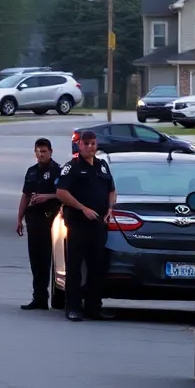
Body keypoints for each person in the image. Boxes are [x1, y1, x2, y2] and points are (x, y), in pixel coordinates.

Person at [54, 129, 117, 322]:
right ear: (79, 145)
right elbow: (61, 192)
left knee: (96, 267)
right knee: (75, 267)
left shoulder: (102, 166)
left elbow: (112, 190)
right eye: (86, 144)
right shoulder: (71, 167)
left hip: (98, 225)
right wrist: (83, 208)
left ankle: (94, 307)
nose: (90, 147)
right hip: (78, 224)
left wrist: (110, 209)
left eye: (93, 144)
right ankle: (73, 307)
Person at [16, 137, 62, 310]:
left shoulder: (58, 170)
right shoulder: (31, 171)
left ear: (51, 152)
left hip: (50, 218)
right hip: (33, 218)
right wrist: (19, 218)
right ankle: (39, 297)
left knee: (47, 258)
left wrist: (47, 197)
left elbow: (63, 194)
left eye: (44, 151)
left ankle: (53, 296)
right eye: (38, 151)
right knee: (35, 258)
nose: (41, 155)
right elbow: (25, 195)